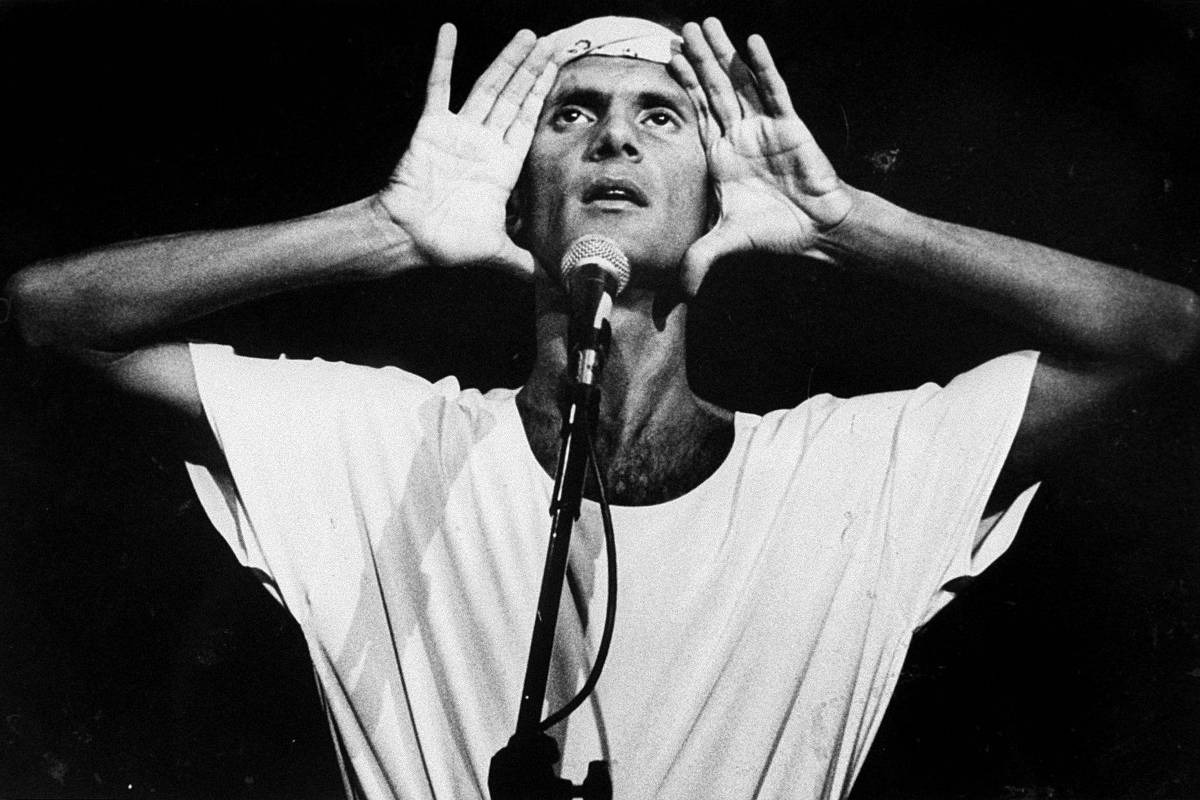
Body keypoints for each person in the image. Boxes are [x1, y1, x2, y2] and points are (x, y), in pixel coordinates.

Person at [5, 13, 1198, 800]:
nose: (614, 135)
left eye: (660, 115)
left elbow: (1156, 334)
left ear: (715, 199)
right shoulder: (382, 447)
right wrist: (377, 230)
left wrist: (853, 224)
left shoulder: (844, 476)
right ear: (519, 201)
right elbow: (54, 313)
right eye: (571, 114)